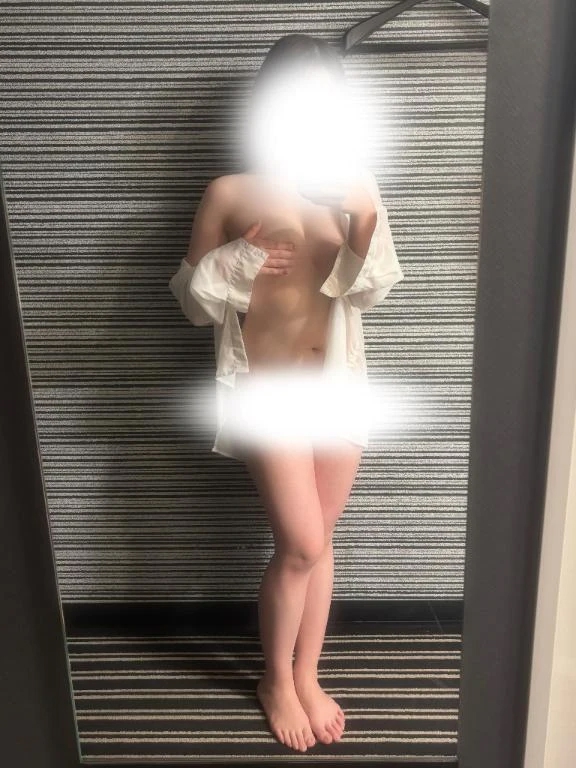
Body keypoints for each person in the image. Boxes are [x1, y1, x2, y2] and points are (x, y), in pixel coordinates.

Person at [168, 33, 404, 753]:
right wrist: (239, 259)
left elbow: (371, 292)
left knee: (319, 543)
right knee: (300, 542)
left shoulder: (355, 184)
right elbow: (190, 302)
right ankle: (275, 678)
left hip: (338, 389)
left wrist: (364, 219)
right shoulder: (230, 191)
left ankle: (308, 674)